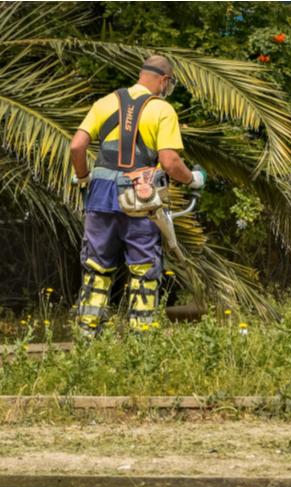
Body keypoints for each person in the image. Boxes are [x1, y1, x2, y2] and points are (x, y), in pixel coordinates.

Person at [69, 55, 206, 336]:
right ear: (164, 80)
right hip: (140, 197)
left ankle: (87, 332)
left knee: (96, 266)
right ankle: (141, 337)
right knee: (143, 267)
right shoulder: (162, 110)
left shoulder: (105, 103)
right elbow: (169, 162)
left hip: (100, 195)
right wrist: (193, 179)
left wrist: (83, 177)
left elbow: (77, 147)